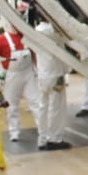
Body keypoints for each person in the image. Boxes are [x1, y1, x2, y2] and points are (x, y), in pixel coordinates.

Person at [0, 15, 38, 144]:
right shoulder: (1, 40)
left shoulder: (27, 38)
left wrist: (37, 71)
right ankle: (14, 132)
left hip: (28, 73)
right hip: (12, 75)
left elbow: (34, 54)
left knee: (36, 102)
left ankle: (43, 130)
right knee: (12, 105)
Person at [33, 20, 73, 151]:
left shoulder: (36, 30)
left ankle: (42, 138)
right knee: (56, 108)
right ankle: (54, 139)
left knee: (43, 107)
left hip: (42, 74)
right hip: (55, 75)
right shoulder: (52, 32)